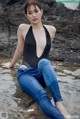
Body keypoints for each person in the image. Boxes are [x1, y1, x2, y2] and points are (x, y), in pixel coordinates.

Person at [1, 0, 71, 119]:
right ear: (26, 16)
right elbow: (20, 49)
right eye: (30, 13)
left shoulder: (51, 30)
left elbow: (45, 54)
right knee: (42, 95)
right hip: (26, 74)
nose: (34, 15)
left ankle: (59, 103)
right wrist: (11, 64)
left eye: (36, 11)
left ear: (41, 12)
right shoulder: (23, 28)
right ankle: (61, 117)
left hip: (42, 74)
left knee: (44, 62)